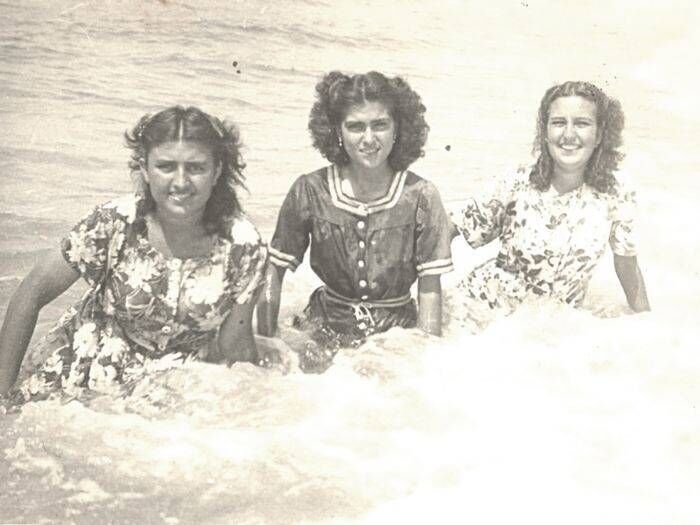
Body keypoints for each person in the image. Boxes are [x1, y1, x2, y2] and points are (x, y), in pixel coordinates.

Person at [0, 106, 268, 404]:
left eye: (195, 168)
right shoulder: (114, 223)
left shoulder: (244, 246)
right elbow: (30, 293)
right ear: (145, 169)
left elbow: (235, 345)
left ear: (216, 171)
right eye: (166, 166)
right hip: (80, 375)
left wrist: (263, 402)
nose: (180, 182)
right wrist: (1, 394)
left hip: (174, 391)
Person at [257, 71, 454, 372]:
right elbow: (274, 269)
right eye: (355, 127)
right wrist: (267, 341)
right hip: (323, 327)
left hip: (396, 335)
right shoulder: (310, 190)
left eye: (380, 125)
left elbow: (429, 288)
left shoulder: (421, 196)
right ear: (337, 131)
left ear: (398, 128)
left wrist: (426, 357)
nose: (369, 139)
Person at [452, 81, 650, 328]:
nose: (568, 134)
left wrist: (649, 327)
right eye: (558, 122)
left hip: (548, 330)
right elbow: (448, 229)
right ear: (545, 132)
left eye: (581, 123)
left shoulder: (616, 193)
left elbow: (627, 265)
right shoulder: (516, 182)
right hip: (478, 316)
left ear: (599, 135)